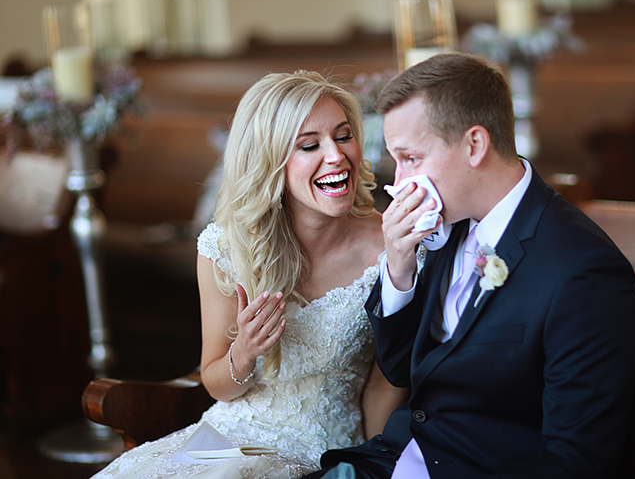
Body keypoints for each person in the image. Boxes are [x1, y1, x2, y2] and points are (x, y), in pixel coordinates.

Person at [304, 52, 635, 479]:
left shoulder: (584, 272)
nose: (400, 183)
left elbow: (575, 459)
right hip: (392, 460)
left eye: (411, 158)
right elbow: (400, 369)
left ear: (475, 145)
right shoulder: (447, 222)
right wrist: (399, 267)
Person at [92, 70, 409, 479]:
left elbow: (387, 384)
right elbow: (216, 384)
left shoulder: (391, 245)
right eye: (309, 145)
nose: (336, 156)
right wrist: (244, 351)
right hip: (225, 439)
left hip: (322, 456)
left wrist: (375, 463)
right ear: (269, 161)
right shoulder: (226, 248)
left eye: (344, 136)